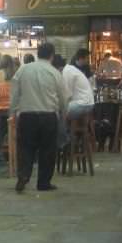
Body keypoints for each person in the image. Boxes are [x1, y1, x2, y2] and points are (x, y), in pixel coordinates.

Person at [11, 41, 67, 193]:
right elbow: (63, 97)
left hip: (27, 115)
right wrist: (63, 114)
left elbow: (15, 94)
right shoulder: (55, 72)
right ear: (52, 56)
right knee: (48, 151)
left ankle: (23, 175)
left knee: (26, 148)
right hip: (48, 116)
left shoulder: (23, 70)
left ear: (37, 53)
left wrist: (13, 114)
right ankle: (43, 183)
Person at [62, 53, 95, 120]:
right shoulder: (71, 69)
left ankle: (64, 130)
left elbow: (68, 95)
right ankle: (68, 128)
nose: (87, 60)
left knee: (60, 112)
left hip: (83, 104)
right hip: (87, 102)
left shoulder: (67, 71)